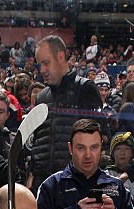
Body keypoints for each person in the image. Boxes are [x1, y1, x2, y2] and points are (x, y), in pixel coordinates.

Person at [29, 35, 102, 190]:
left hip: (76, 184)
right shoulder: (41, 97)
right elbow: (37, 140)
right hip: (43, 185)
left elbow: (101, 139)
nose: (42, 70)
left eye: (46, 63)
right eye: (40, 64)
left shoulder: (85, 89)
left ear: (61, 56)